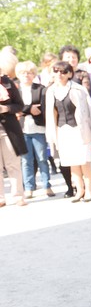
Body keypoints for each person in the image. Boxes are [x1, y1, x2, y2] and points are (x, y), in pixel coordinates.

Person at [46, 61, 91, 202]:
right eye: (56, 71)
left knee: (84, 160)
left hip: (79, 129)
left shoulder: (78, 89)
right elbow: (51, 115)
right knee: (71, 161)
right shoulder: (51, 91)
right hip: (62, 130)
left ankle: (89, 189)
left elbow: (89, 111)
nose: (59, 74)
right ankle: (79, 189)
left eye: (63, 71)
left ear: (70, 74)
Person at [16, 61, 54, 198]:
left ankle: (47, 185)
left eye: (30, 73)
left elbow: (42, 108)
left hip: (39, 129)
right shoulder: (16, 90)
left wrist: (23, 111)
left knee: (42, 158)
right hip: (22, 129)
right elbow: (15, 107)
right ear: (18, 75)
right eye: (23, 73)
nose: (26, 75)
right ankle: (29, 187)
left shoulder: (41, 89)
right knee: (26, 160)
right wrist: (30, 109)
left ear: (34, 74)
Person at [0, 70, 27, 206]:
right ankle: (1, 198)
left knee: (13, 164)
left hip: (9, 129)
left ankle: (18, 196)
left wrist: (6, 109)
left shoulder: (7, 83)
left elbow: (19, 105)